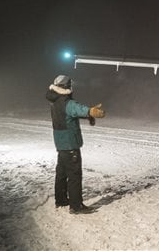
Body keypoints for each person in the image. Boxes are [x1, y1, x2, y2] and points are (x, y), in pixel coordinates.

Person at [45, 75, 105, 214]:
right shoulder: (66, 102)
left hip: (60, 143)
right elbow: (76, 109)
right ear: (66, 86)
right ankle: (76, 206)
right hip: (70, 143)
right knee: (74, 174)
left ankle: (61, 200)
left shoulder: (54, 101)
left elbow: (71, 113)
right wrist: (91, 112)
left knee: (62, 172)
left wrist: (87, 115)